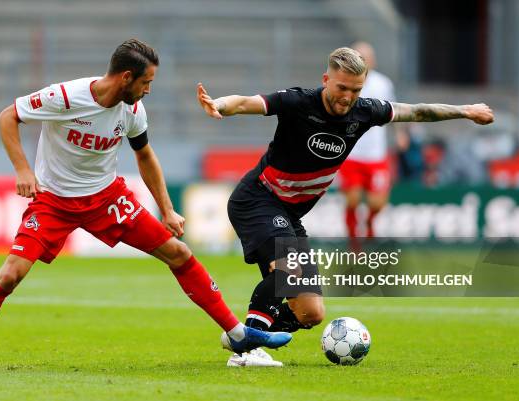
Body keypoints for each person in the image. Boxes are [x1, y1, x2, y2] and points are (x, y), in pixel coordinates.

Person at [0, 38, 291, 372]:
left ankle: (239, 335)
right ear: (125, 77)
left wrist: (166, 209)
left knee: (178, 253)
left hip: (107, 199)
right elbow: (7, 117)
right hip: (54, 202)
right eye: (146, 81)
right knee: (10, 275)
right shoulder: (65, 97)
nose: (148, 89)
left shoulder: (133, 109)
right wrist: (23, 169)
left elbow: (145, 155)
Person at [197, 47, 494, 367]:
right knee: (288, 270)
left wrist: (465, 110)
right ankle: (250, 348)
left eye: (356, 90)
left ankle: (244, 333)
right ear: (326, 80)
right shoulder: (298, 102)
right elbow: (246, 102)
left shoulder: (364, 112)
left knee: (310, 312)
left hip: (290, 213)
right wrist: (220, 105)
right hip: (258, 198)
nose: (347, 97)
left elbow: (418, 111)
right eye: (341, 87)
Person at [339, 42, 403, 239]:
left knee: (378, 202)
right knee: (353, 199)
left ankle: (368, 223)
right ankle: (354, 242)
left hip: (376, 153)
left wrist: (400, 133)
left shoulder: (383, 84)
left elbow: (394, 111)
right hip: (351, 153)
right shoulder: (343, 83)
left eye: (366, 58)